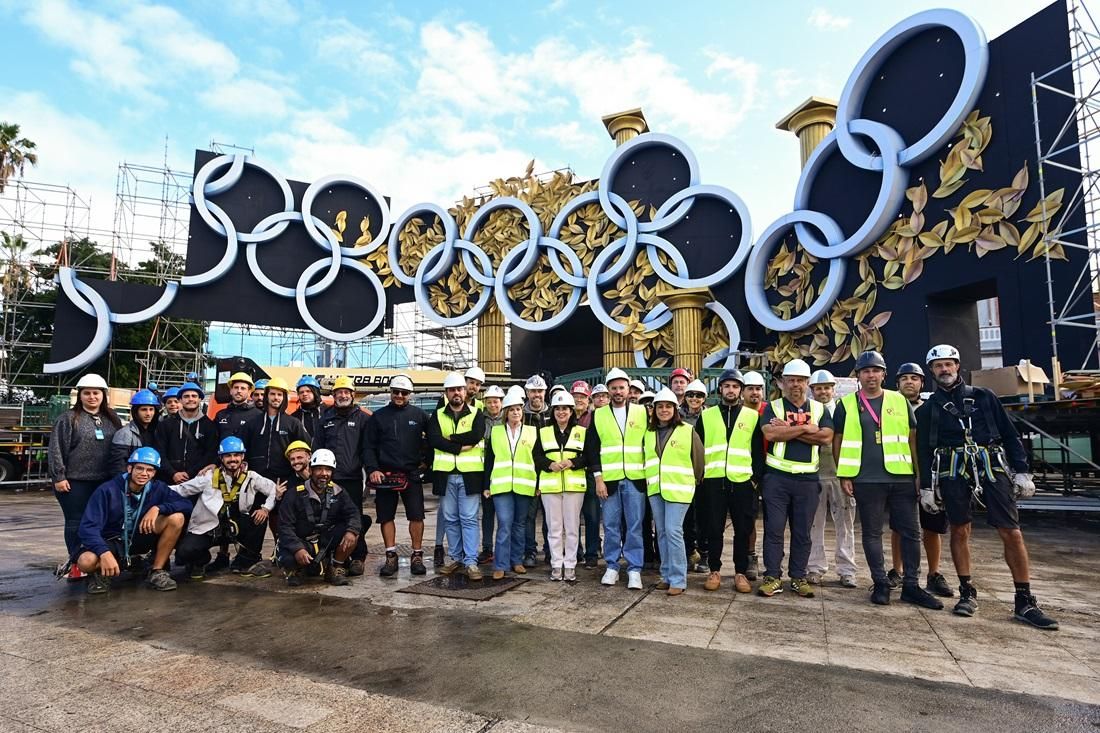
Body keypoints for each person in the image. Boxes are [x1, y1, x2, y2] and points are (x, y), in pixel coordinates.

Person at [917, 344, 1057, 629]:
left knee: (1011, 531)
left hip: (991, 465)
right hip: (952, 468)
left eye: (948, 364)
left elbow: (1009, 433)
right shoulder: (928, 410)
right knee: (960, 529)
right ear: (931, 371)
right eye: (938, 365)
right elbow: (924, 450)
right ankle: (967, 592)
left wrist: (1022, 471)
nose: (944, 369)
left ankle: (1025, 600)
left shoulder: (984, 397)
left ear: (957, 366)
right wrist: (927, 487)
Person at [833, 352, 941, 609]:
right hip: (866, 479)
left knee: (911, 533)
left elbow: (912, 438)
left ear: (884, 374)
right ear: (858, 376)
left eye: (876, 370)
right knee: (872, 532)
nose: (871, 375)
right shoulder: (846, 404)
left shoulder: (899, 400)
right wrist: (843, 474)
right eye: (865, 371)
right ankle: (880, 582)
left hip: (901, 477)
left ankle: (912, 586)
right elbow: (838, 440)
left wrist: (918, 475)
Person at [757, 359, 834, 598]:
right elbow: (771, 433)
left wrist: (788, 429)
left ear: (807, 383)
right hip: (777, 479)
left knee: (802, 532)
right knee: (774, 530)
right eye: (791, 380)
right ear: (783, 382)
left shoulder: (819, 409)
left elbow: (826, 437)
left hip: (808, 481)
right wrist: (806, 428)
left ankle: (798, 577)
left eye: (800, 381)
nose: (795, 385)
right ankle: (772, 577)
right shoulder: (773, 407)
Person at [75, 447, 190, 594]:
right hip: (113, 540)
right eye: (139, 468)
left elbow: (186, 505)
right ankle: (102, 573)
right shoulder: (107, 490)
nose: (144, 474)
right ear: (130, 468)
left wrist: (158, 508)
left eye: (150, 470)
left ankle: (157, 571)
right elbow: (88, 528)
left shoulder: (158, 488)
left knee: (177, 518)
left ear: (154, 473)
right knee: (86, 561)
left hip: (139, 536)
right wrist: (103, 552)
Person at [888, 362, 953, 597]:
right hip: (900, 473)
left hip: (930, 475)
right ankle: (897, 571)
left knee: (932, 526)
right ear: (897, 383)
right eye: (904, 378)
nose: (909, 382)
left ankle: (934, 574)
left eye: (914, 378)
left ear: (922, 383)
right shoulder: (889, 408)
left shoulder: (932, 408)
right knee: (899, 526)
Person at [173, 436, 280, 580]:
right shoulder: (209, 477)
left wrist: (265, 509)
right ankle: (201, 560)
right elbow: (181, 489)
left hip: (235, 527)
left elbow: (274, 489)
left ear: (242, 456)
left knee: (258, 519)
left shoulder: (252, 477)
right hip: (209, 529)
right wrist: (153, 489)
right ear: (221, 458)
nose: (233, 459)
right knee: (184, 553)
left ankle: (246, 561)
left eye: (236, 455)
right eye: (228, 456)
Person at [695, 369, 762, 593]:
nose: (730, 390)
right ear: (720, 389)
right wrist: (700, 476)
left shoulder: (752, 416)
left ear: (740, 390)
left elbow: (757, 451)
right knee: (714, 528)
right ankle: (714, 570)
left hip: (742, 481)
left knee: (743, 529)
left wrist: (755, 480)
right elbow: (698, 448)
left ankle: (740, 572)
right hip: (713, 481)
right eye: (727, 386)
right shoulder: (706, 416)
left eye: (735, 386)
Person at [49, 373, 122, 578]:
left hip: (104, 481)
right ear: (80, 395)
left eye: (96, 393)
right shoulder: (68, 418)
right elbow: (55, 449)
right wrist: (59, 477)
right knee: (76, 522)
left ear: (103, 395)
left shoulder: (112, 419)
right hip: (74, 482)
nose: (92, 397)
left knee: (101, 523)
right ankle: (76, 563)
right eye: (87, 393)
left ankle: (95, 559)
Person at [585, 367, 648, 590]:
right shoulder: (599, 414)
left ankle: (634, 569)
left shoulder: (642, 412)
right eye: (614, 388)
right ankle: (612, 566)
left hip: (636, 478)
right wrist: (598, 479)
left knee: (635, 525)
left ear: (629, 389)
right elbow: (592, 449)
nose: (618, 391)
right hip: (609, 481)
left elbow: (648, 444)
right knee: (611, 525)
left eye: (622, 387)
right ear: (608, 390)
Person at [365, 374, 430, 578]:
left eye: (404, 393)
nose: (399, 395)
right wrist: (373, 469)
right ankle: (391, 556)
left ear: (410, 394)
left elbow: (432, 441)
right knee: (386, 516)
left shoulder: (420, 416)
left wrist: (427, 465)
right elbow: (368, 446)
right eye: (396, 392)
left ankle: (417, 556)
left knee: (417, 515)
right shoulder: (378, 417)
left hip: (411, 474)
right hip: (385, 475)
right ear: (390, 392)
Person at [644, 388, 705, 596]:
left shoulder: (687, 430)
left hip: (679, 490)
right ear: (654, 410)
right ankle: (666, 575)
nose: (664, 410)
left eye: (668, 406)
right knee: (661, 533)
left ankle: (678, 579)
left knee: (673, 531)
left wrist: (692, 482)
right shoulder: (649, 433)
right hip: (656, 489)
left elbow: (698, 461)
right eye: (660, 406)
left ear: (675, 409)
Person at [427, 372, 487, 579]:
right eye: (452, 390)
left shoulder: (476, 413)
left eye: (459, 389)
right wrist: (460, 447)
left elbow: (476, 435)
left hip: (470, 476)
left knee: (469, 519)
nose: (457, 393)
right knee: (451, 519)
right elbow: (434, 439)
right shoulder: (437, 415)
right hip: (445, 475)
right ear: (446, 393)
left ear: (464, 391)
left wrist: (450, 438)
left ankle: (470, 562)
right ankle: (456, 558)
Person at [277, 449, 362, 587]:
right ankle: (296, 570)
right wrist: (297, 548)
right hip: (303, 540)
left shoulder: (338, 492)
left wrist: (351, 531)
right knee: (288, 558)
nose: (324, 473)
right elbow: (284, 526)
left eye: (328, 470)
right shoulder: (294, 494)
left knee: (354, 531)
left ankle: (335, 568)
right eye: (319, 469)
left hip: (325, 540)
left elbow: (353, 513)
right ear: (310, 470)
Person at [314, 375, 373, 574]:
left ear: (353, 394)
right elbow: (318, 448)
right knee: (330, 518)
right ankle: (337, 555)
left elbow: (368, 449)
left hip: (353, 479)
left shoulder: (363, 419)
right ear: (334, 395)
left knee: (355, 518)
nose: (343, 395)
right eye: (339, 392)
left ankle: (358, 557)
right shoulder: (325, 419)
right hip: (329, 479)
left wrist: (370, 474)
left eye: (346, 392)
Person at [806, 370, 858, 588]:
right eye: (818, 388)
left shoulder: (843, 411)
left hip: (840, 475)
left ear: (833, 389)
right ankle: (814, 568)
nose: (823, 392)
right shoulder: (808, 412)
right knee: (814, 524)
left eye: (827, 388)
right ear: (812, 391)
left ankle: (847, 570)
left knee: (845, 524)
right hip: (814, 475)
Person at [534, 390, 588, 582]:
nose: (561, 412)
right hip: (551, 487)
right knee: (554, 528)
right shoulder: (544, 432)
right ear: (553, 411)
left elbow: (588, 456)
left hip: (574, 487)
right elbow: (536, 456)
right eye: (557, 409)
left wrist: (573, 462)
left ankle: (570, 565)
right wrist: (549, 465)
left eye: (565, 408)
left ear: (571, 411)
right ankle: (557, 565)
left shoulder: (582, 432)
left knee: (572, 528)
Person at [484, 386, 537, 580]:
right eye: (512, 409)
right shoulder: (496, 432)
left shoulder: (532, 432)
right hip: (501, 485)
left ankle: (516, 561)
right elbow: (489, 460)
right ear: (506, 412)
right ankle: (500, 564)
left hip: (525, 485)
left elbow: (537, 459)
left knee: (520, 525)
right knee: (505, 524)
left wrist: (538, 485)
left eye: (519, 409)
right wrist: (486, 485)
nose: (516, 412)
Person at [243, 377, 310, 483]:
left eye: (279, 395)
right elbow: (244, 450)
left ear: (284, 397)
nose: (276, 398)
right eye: (272, 394)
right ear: (267, 396)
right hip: (256, 479)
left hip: (285, 480)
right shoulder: (253, 423)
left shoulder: (293, 423)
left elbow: (307, 448)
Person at [153, 381, 217, 486]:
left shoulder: (209, 426)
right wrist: (173, 473)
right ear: (180, 400)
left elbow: (210, 454)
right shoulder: (165, 425)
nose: (190, 399)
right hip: (168, 480)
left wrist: (190, 473)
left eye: (194, 396)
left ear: (200, 399)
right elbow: (159, 451)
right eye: (186, 396)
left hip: (196, 481)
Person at [740, 370, 767, 580]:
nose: (755, 393)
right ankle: (750, 556)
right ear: (743, 392)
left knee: (774, 520)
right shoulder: (738, 413)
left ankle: (773, 561)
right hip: (746, 473)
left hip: (772, 470)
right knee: (748, 517)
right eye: (750, 389)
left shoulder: (770, 411)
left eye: (758, 389)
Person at [679, 378, 708, 574]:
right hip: (683, 472)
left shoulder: (710, 416)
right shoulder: (677, 416)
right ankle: (689, 552)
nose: (694, 398)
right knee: (686, 517)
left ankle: (704, 553)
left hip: (705, 473)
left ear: (704, 398)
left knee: (704, 516)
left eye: (698, 395)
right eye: (690, 395)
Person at [522, 374, 552, 567]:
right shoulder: (521, 415)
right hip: (529, 472)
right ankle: (530, 552)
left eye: (540, 391)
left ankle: (550, 550)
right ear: (527, 393)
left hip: (550, 472)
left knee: (551, 516)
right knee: (529, 516)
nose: (537, 395)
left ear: (545, 392)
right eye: (533, 391)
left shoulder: (554, 413)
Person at [571, 380, 600, 567]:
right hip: (571, 472)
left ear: (588, 399)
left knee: (592, 516)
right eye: (576, 396)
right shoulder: (566, 417)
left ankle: (591, 554)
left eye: (582, 397)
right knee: (572, 517)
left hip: (589, 472)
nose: (579, 400)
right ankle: (576, 552)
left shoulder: (595, 418)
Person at [478, 385, 505, 566]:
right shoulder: (480, 419)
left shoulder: (507, 419)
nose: (493, 405)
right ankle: (487, 548)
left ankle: (503, 549)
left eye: (496, 401)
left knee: (504, 514)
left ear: (501, 402)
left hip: (503, 471)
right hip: (485, 469)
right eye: (489, 402)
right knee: (487, 513)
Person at [109, 389, 160, 475]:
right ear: (135, 412)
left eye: (151, 409)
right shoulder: (124, 434)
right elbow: (118, 465)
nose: (148, 413)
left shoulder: (158, 432)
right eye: (144, 410)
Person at [214, 372, 260, 441]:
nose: (239, 391)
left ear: (249, 392)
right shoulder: (220, 415)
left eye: (243, 388)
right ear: (231, 390)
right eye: (236, 387)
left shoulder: (258, 416)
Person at [291, 375, 323, 440]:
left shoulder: (328, 412)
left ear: (315, 392)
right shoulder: (294, 417)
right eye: (301, 392)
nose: (304, 394)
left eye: (308, 391)